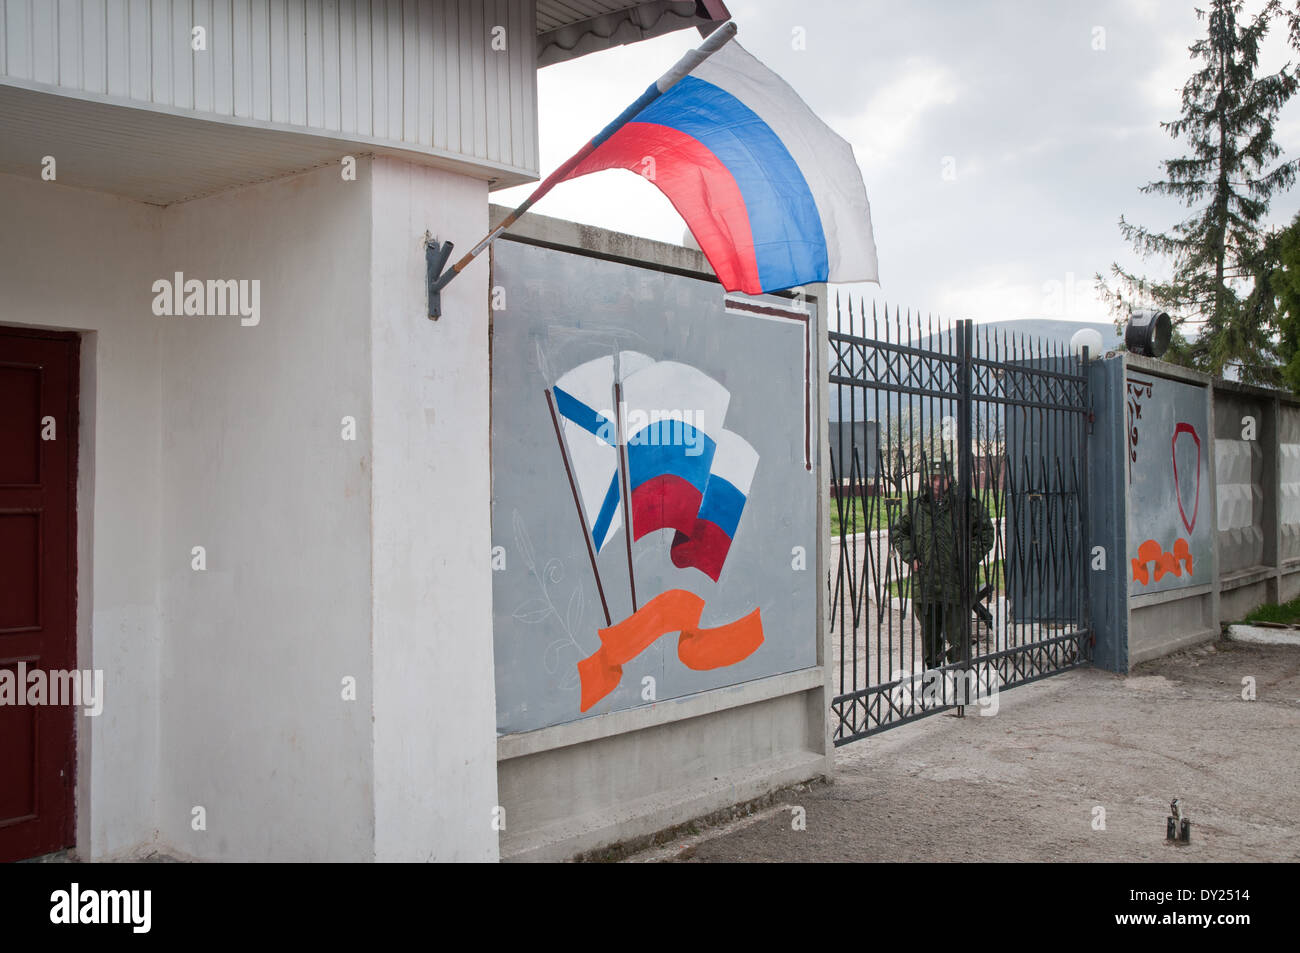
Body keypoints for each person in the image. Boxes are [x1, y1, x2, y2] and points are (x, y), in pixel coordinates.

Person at [888, 460, 995, 673]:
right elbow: (899, 532)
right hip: (925, 585)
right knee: (929, 639)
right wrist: (911, 556)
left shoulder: (966, 505)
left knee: (958, 639)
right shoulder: (916, 506)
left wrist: (968, 557)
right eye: (933, 478)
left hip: (955, 583)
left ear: (950, 479)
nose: (937, 483)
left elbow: (986, 533)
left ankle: (961, 686)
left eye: (942, 478)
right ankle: (932, 683)